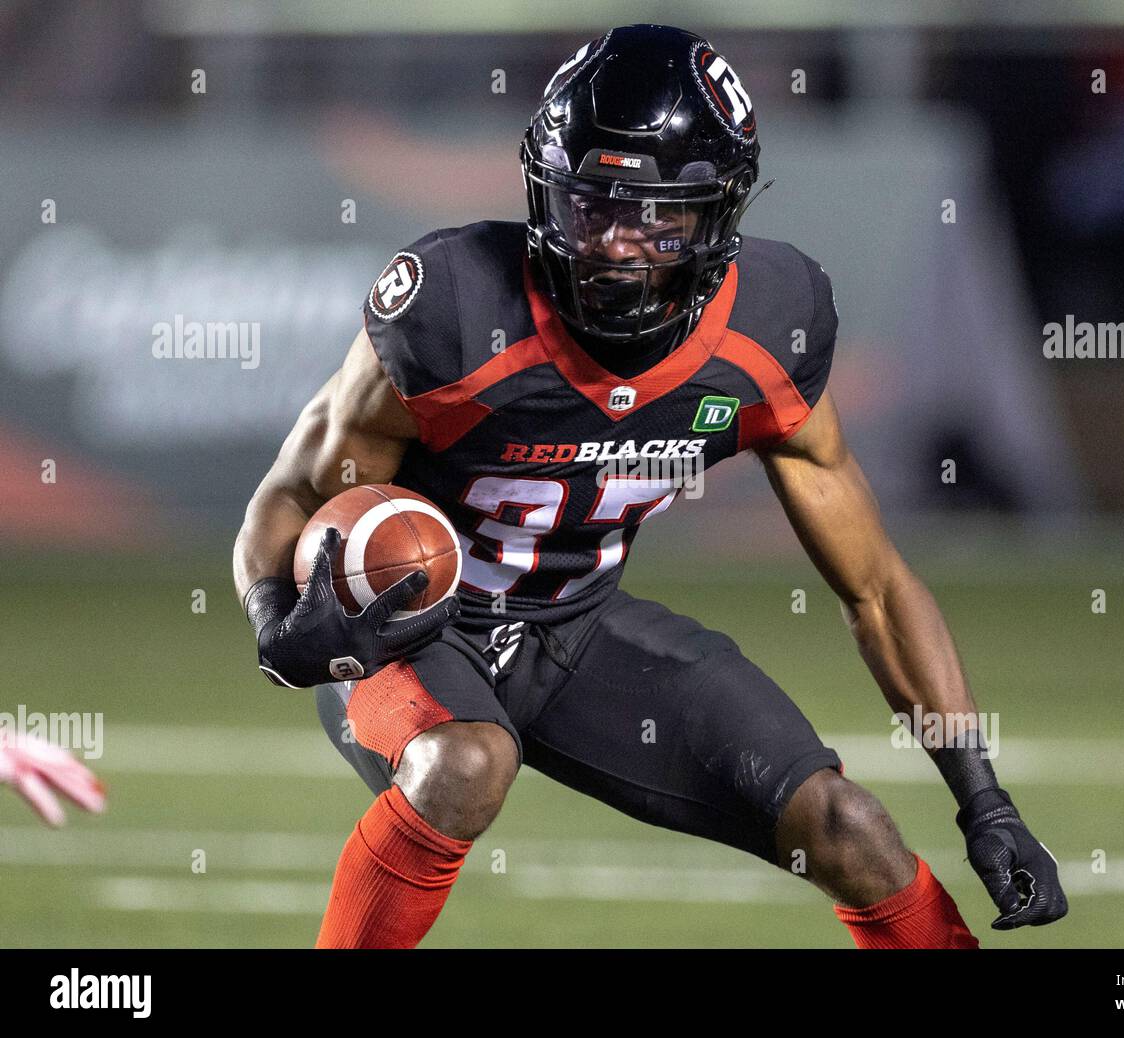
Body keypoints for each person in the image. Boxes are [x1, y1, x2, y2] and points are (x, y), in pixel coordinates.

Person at [233, 23, 1066, 948]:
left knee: (850, 829)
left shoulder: (768, 333)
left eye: (657, 215)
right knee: (466, 762)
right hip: (409, 630)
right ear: (545, 191)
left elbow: (874, 588)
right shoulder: (456, 306)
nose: (617, 246)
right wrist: (278, 617)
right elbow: (296, 491)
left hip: (575, 627)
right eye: (592, 206)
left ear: (718, 214)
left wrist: (981, 798)